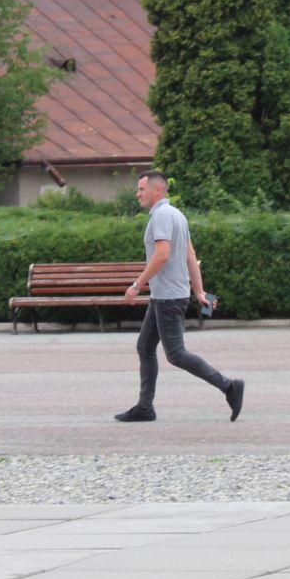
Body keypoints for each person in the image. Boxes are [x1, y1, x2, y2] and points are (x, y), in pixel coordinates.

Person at [115, 171, 245, 423]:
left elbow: (162, 254)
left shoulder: (162, 216)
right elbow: (190, 254)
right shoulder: (177, 215)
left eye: (141, 189)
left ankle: (229, 386)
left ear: (157, 191)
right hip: (166, 296)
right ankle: (145, 407)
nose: (137, 194)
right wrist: (199, 291)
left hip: (168, 299)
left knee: (176, 354)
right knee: (145, 346)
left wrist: (137, 285)